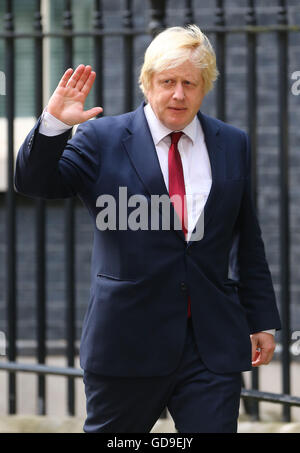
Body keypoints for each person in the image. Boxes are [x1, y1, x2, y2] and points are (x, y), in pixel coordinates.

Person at [15, 25, 281, 433]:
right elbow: (35, 183)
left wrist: (260, 318)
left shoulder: (232, 142)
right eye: (168, 82)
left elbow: (246, 236)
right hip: (127, 342)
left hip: (210, 343)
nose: (179, 94)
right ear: (147, 83)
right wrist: (53, 125)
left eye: (190, 83)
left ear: (204, 87)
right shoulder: (101, 138)